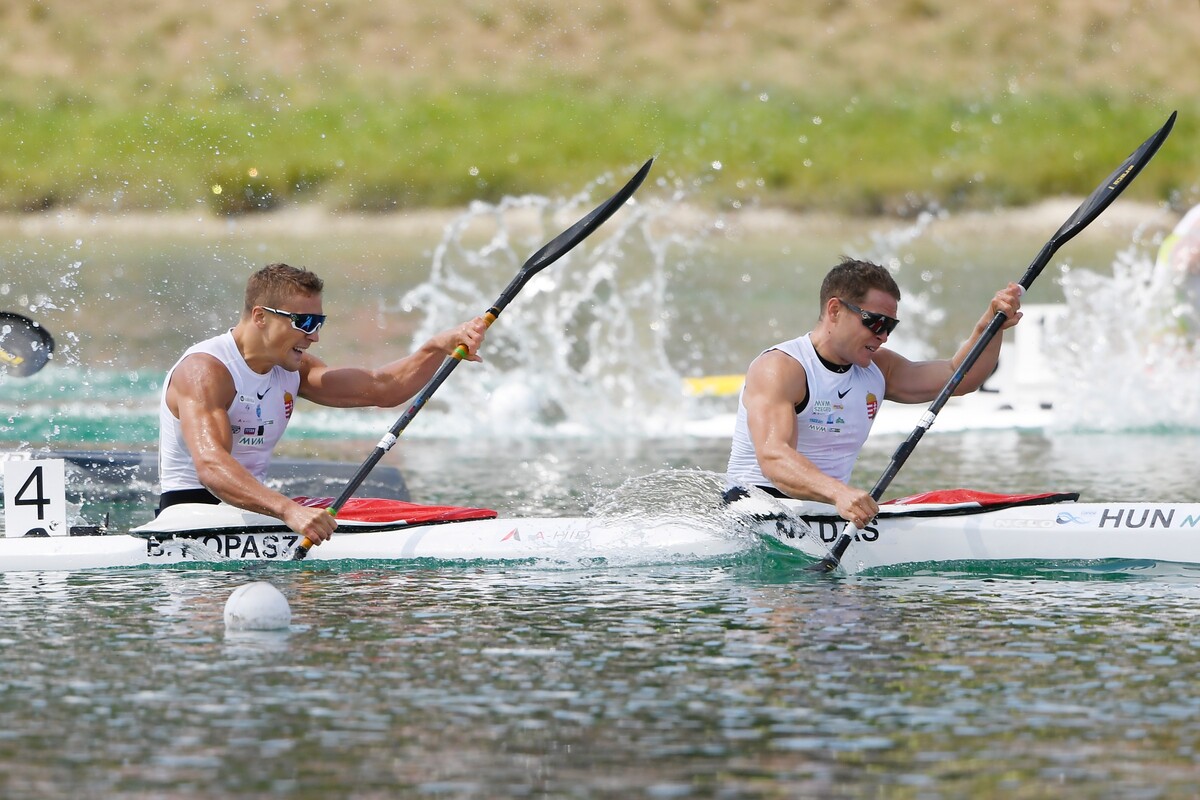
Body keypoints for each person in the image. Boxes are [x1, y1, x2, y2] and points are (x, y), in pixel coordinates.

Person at [157, 262, 488, 546]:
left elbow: (381, 389)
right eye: (304, 323)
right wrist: (290, 510)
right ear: (260, 316)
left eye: (319, 323)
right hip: (191, 517)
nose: (314, 336)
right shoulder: (206, 371)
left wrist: (435, 347)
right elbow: (211, 466)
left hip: (252, 512)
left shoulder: (291, 369)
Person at [725, 257, 1023, 529]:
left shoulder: (880, 369)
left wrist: (991, 326)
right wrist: (839, 493)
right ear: (834, 310)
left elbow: (958, 377)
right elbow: (774, 458)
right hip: (756, 513)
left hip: (825, 512)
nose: (882, 335)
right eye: (875, 322)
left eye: (890, 326)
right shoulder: (782, 367)